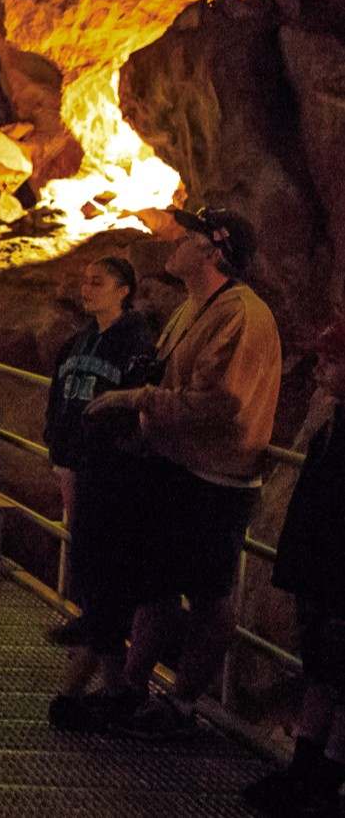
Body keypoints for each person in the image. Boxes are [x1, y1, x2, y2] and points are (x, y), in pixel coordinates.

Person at [84, 206, 282, 741]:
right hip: (175, 470)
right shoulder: (193, 307)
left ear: (214, 252)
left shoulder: (239, 314)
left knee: (209, 594)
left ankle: (182, 703)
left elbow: (220, 403)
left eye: (188, 235)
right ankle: (130, 688)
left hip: (215, 480)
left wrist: (138, 398)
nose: (174, 239)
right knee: (155, 585)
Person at [39, 257, 156, 731]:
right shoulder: (79, 340)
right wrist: (57, 448)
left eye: (98, 282)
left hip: (115, 474)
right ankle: (115, 691)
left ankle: (77, 690)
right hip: (80, 467)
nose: (87, 289)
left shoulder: (136, 344)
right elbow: (58, 396)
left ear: (124, 290)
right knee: (91, 569)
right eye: (85, 282)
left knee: (105, 579)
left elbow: (139, 407)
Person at [243, 317, 345, 814]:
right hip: (321, 568)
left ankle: (321, 776)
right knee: (323, 672)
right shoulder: (335, 420)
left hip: (333, 570)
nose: (322, 369)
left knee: (333, 672)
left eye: (333, 361)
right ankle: (308, 771)